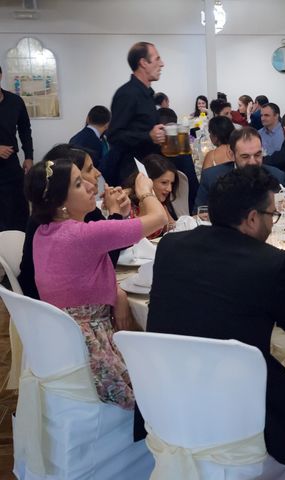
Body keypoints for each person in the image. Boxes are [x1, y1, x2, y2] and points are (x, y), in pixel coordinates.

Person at [144, 165, 285, 470]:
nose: (272, 222)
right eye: (272, 215)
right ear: (252, 218)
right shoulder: (268, 264)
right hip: (239, 408)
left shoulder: (170, 247)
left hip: (169, 396)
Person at [24, 148, 167, 409]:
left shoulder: (44, 232)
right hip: (93, 350)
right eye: (79, 183)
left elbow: (87, 266)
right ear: (60, 201)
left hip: (62, 347)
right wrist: (145, 189)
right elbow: (159, 218)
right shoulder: (84, 235)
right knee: (160, 373)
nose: (92, 186)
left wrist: (118, 217)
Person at [19, 144, 131, 301]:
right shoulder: (47, 221)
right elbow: (106, 262)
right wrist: (116, 214)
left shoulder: (80, 209)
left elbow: (117, 243)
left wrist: (122, 214)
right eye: (90, 169)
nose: (98, 173)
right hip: (50, 308)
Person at [106, 42, 165, 185]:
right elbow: (114, 135)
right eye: (157, 59)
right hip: (132, 173)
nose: (162, 64)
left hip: (148, 168)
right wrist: (148, 136)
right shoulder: (127, 94)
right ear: (143, 63)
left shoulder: (147, 94)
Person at [194, 127, 285, 209]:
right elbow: (199, 214)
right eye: (245, 157)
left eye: (258, 155)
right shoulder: (212, 178)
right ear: (231, 154)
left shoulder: (277, 176)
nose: (253, 162)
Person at [0, 65, 32, 232]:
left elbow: (25, 130)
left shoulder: (15, 101)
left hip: (12, 165)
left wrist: (29, 157)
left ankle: (21, 244)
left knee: (19, 206)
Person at [124, 154, 178, 239]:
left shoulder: (158, 200)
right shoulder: (127, 203)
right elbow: (135, 237)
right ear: (147, 180)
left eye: (172, 183)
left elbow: (173, 229)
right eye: (164, 183)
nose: (170, 189)